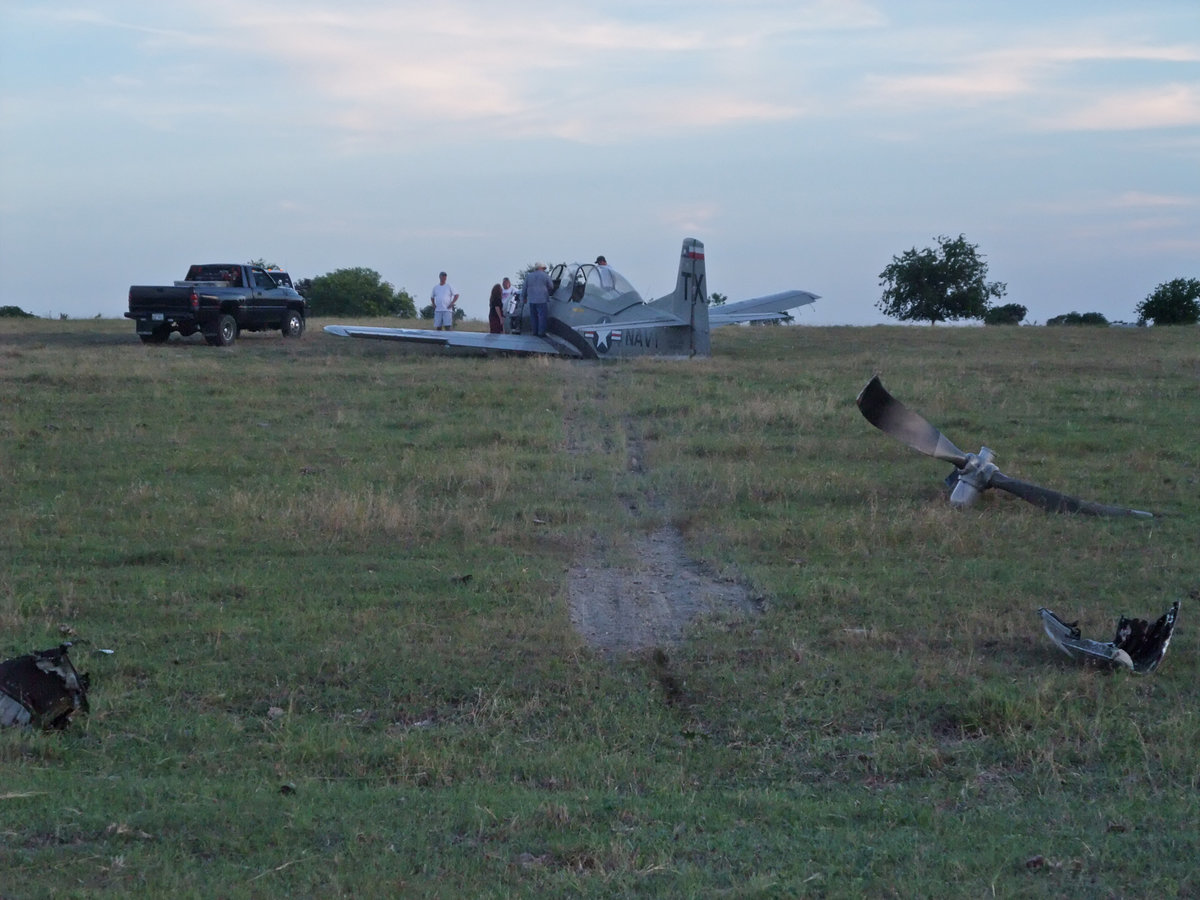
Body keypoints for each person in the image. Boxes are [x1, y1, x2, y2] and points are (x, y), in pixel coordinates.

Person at [521, 262, 553, 338]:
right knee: (542, 316)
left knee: (533, 317)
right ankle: (541, 333)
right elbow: (551, 286)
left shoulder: (529, 276)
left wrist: (524, 298)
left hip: (532, 300)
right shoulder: (545, 276)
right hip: (542, 300)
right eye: (544, 268)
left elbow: (524, 288)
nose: (544, 270)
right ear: (541, 268)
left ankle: (534, 332)